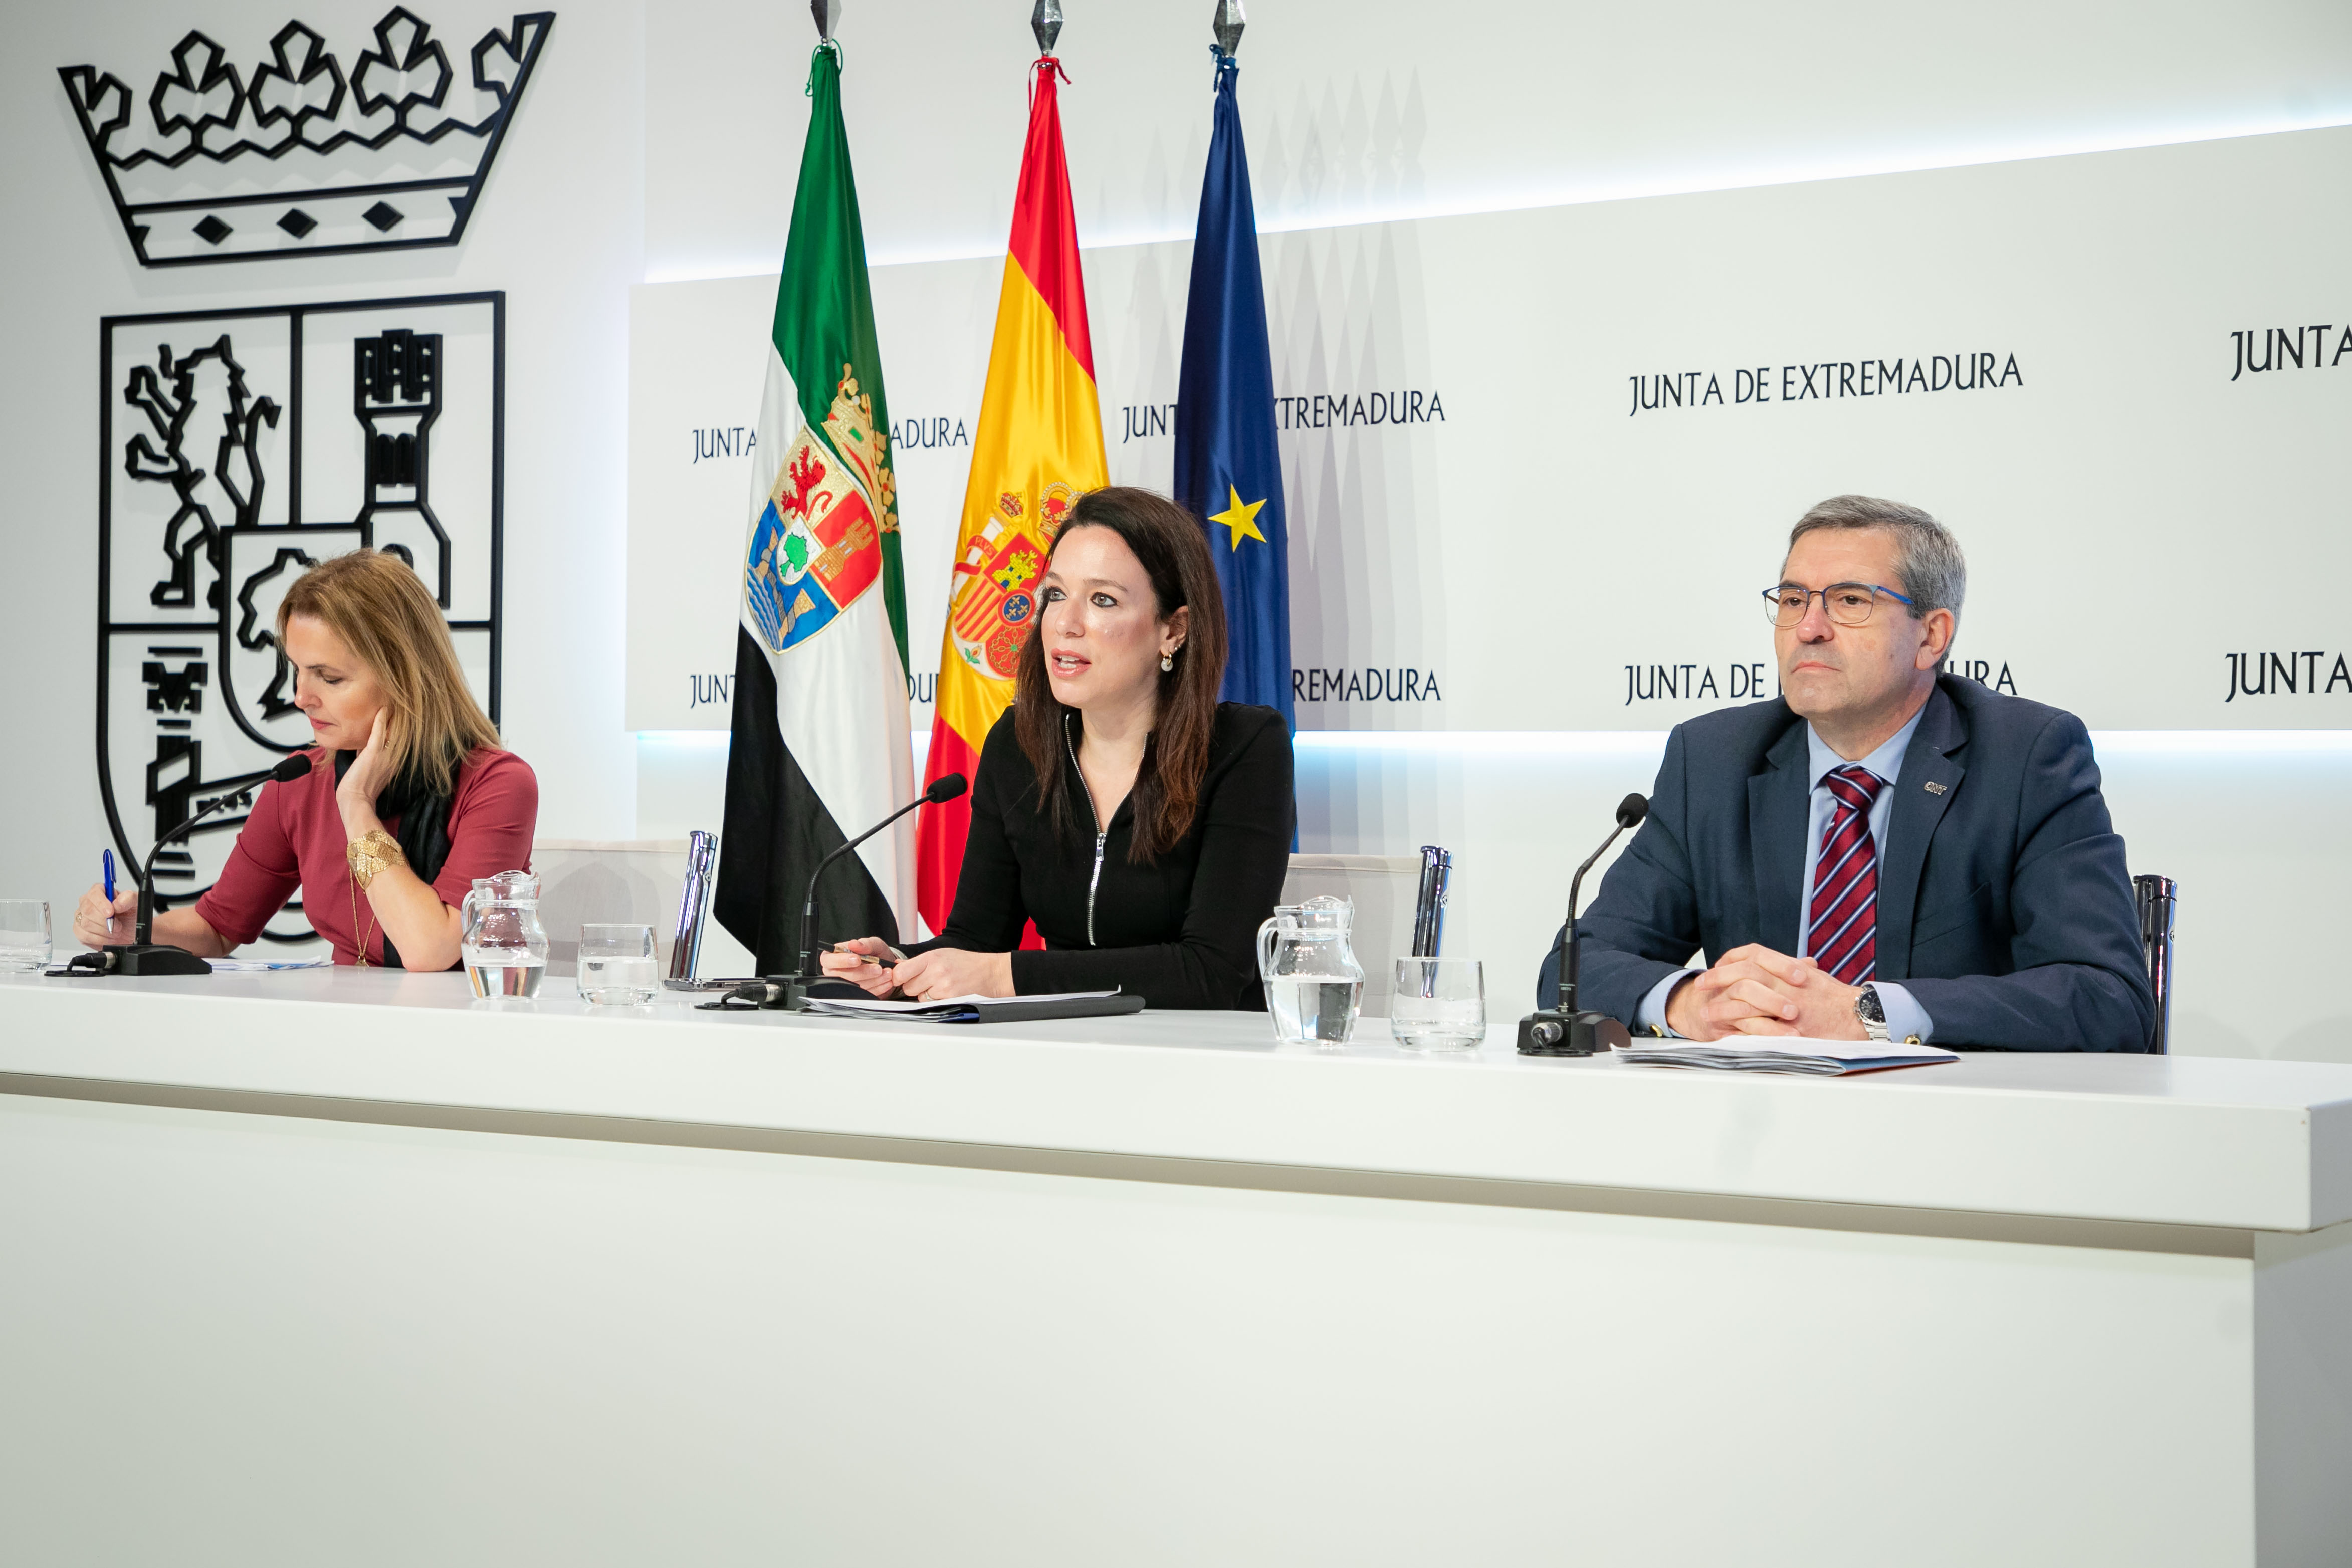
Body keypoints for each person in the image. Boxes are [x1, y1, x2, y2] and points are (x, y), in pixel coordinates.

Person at [1540, 495, 2153, 1052]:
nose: (1809, 628)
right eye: (1792, 600)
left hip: (1958, 1129)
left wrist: (1869, 1013)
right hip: (1752, 1126)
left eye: (1850, 601)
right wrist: (1687, 1003)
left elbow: (2108, 997)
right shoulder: (1713, 758)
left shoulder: (2026, 757)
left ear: (1931, 637)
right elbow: (1573, 968)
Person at [824, 487, 1293, 1008]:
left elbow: (1211, 971)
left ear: (1173, 630)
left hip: (1207, 1063)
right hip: (1063, 1053)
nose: (1065, 625)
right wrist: (896, 965)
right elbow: (978, 942)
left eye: (1103, 600)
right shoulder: (1018, 745)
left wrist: (1006, 978)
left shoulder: (1244, 747)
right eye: (1054, 594)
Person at [75, 550, 537, 969]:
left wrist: (357, 806)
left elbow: (430, 948)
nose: (300, 697)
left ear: (406, 678)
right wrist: (134, 929)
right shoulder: (299, 781)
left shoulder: (497, 786)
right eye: (297, 670)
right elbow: (218, 927)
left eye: (329, 677)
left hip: (461, 1041)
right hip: (334, 1036)